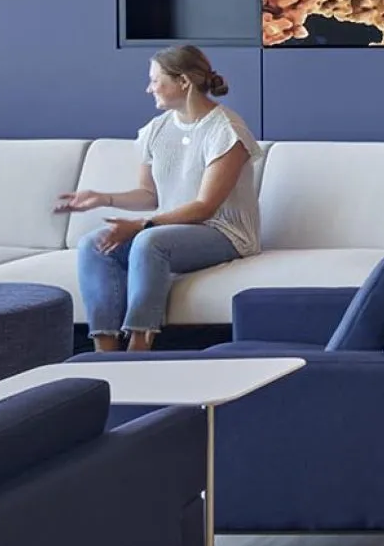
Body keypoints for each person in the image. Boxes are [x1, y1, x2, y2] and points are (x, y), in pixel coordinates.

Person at [55, 46, 259, 351]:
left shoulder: (226, 130)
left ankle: (139, 347)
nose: (148, 88)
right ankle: (105, 350)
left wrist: (142, 226)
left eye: (155, 80)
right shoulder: (156, 129)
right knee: (93, 245)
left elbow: (205, 207)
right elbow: (149, 195)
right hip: (169, 227)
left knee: (150, 242)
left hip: (224, 232)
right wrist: (101, 197)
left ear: (184, 82)